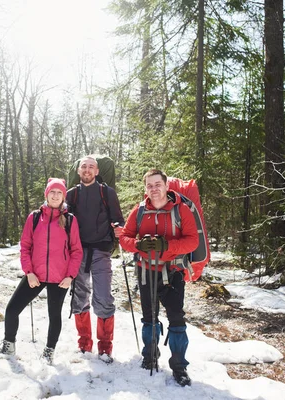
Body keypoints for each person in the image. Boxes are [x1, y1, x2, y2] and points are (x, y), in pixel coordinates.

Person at [118, 169, 199, 386]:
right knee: (149, 318)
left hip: (173, 272)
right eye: (150, 185)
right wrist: (138, 245)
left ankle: (180, 367)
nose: (154, 189)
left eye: (157, 184)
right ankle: (149, 356)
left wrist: (167, 245)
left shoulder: (181, 210)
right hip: (146, 271)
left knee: (176, 319)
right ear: (146, 188)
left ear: (166, 185)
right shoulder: (140, 210)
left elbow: (193, 241)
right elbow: (125, 237)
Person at [0, 178, 83, 365]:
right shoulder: (35, 217)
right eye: (52, 192)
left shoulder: (69, 220)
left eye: (59, 193)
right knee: (12, 310)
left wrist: (70, 276)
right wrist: (29, 272)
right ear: (46, 194)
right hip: (35, 275)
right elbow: (25, 246)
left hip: (60, 278)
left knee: (54, 315)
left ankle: (49, 351)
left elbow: (76, 251)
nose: (55, 195)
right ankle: (8, 344)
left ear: (63, 196)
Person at [66, 155, 124, 362]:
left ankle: (105, 347)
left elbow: (118, 219)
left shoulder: (107, 193)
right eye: (84, 167)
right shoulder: (71, 195)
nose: (88, 170)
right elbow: (64, 223)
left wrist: (119, 229)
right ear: (79, 171)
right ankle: (84, 343)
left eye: (91, 167)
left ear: (97, 171)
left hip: (101, 251)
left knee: (103, 297)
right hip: (78, 252)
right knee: (79, 297)